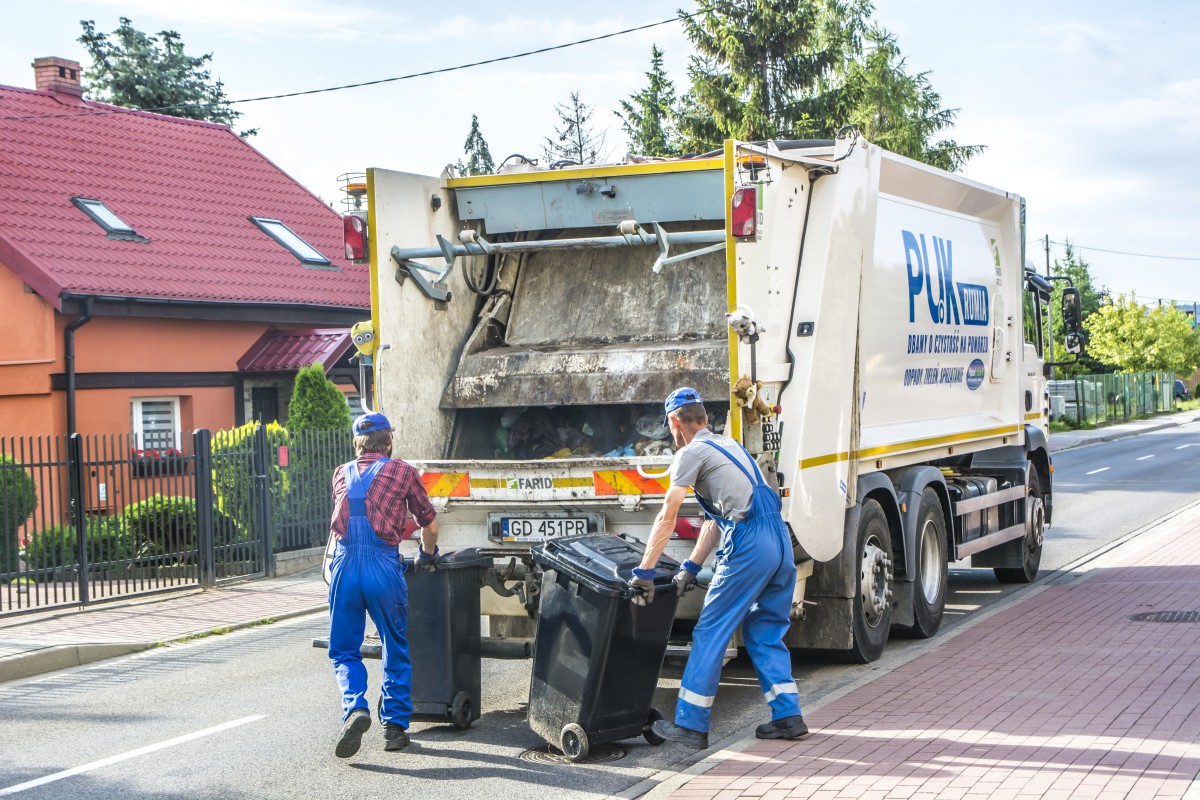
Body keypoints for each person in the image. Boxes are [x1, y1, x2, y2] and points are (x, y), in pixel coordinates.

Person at [630, 387, 806, 750]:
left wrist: (645, 572)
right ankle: (788, 716)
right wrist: (691, 567)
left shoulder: (690, 453)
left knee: (711, 630)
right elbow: (716, 519)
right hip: (778, 537)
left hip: (750, 542)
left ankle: (691, 726)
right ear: (706, 419)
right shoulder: (732, 446)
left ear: (675, 423)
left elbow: (668, 515)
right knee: (764, 629)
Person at [327, 411, 439, 758]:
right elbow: (429, 525)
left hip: (344, 565)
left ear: (356, 443)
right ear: (389, 441)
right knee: (394, 644)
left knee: (345, 649)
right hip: (381, 567)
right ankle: (394, 728)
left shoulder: (340, 473)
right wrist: (427, 554)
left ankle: (355, 708)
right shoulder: (403, 471)